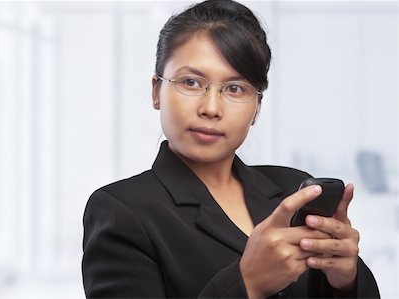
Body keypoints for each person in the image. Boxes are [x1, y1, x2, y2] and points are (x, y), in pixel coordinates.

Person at [82, 0, 380, 298]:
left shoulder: (291, 190)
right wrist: (246, 283)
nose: (211, 108)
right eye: (191, 82)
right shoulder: (120, 211)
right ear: (156, 90)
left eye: (235, 88)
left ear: (256, 108)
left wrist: (346, 281)